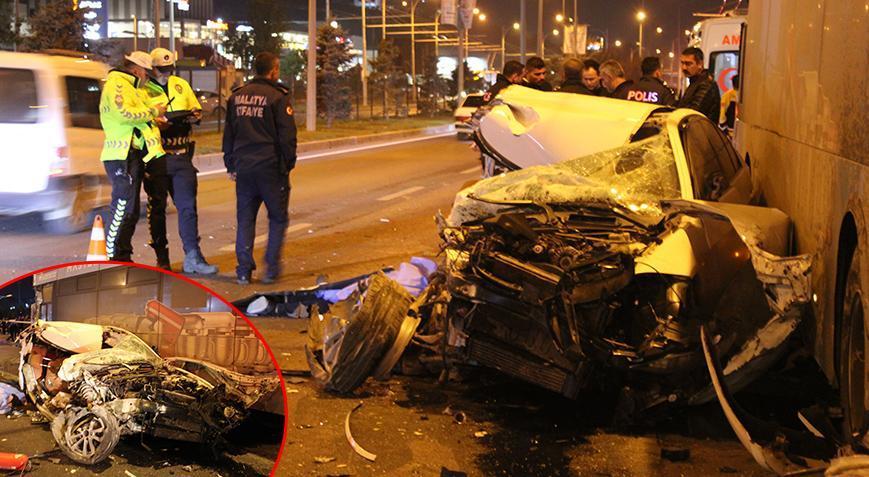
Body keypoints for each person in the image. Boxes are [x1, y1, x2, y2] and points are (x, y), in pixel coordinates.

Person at [222, 52, 297, 285]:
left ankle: (243, 270)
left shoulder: (237, 96)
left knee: (245, 219)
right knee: (277, 218)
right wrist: (287, 165)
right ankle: (270, 269)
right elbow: (287, 137)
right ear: (273, 71)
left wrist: (230, 163)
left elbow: (229, 134)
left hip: (244, 168)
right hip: (270, 168)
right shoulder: (277, 97)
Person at [143, 48, 218, 274]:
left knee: (188, 208)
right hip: (157, 157)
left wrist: (193, 115)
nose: (166, 73)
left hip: (182, 155)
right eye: (161, 69)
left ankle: (193, 256)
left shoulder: (181, 85)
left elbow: (196, 110)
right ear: (152, 69)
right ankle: (162, 258)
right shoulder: (144, 90)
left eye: (169, 69)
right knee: (157, 209)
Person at [99, 51, 167, 262]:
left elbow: (138, 113)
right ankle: (113, 257)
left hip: (131, 154)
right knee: (122, 207)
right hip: (121, 154)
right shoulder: (118, 84)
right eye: (146, 73)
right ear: (137, 70)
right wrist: (154, 113)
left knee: (131, 209)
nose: (147, 77)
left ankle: (123, 257)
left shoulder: (131, 87)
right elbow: (125, 114)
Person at [677, 47, 720, 121]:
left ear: (700, 64)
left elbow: (694, 112)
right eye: (682, 63)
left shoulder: (706, 84)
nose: (684, 68)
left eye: (688, 64)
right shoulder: (695, 82)